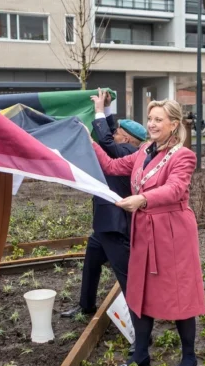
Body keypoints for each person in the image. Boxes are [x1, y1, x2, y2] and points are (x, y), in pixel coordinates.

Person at [92, 99, 205, 366]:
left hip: (173, 231)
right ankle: (140, 353)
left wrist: (143, 199)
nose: (151, 124)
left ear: (174, 125)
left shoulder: (183, 156)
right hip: (144, 228)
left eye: (158, 120)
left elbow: (175, 189)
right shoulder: (142, 151)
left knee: (179, 293)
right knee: (139, 290)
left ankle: (189, 356)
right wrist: (87, 140)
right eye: (150, 119)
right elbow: (112, 165)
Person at [60, 89, 144, 320]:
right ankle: (86, 305)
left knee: (126, 278)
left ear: (126, 139)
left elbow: (106, 141)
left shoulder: (127, 151)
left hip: (115, 226)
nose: (112, 132)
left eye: (117, 131)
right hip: (105, 225)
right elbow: (109, 138)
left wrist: (97, 112)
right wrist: (106, 109)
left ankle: (141, 331)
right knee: (91, 263)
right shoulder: (125, 147)